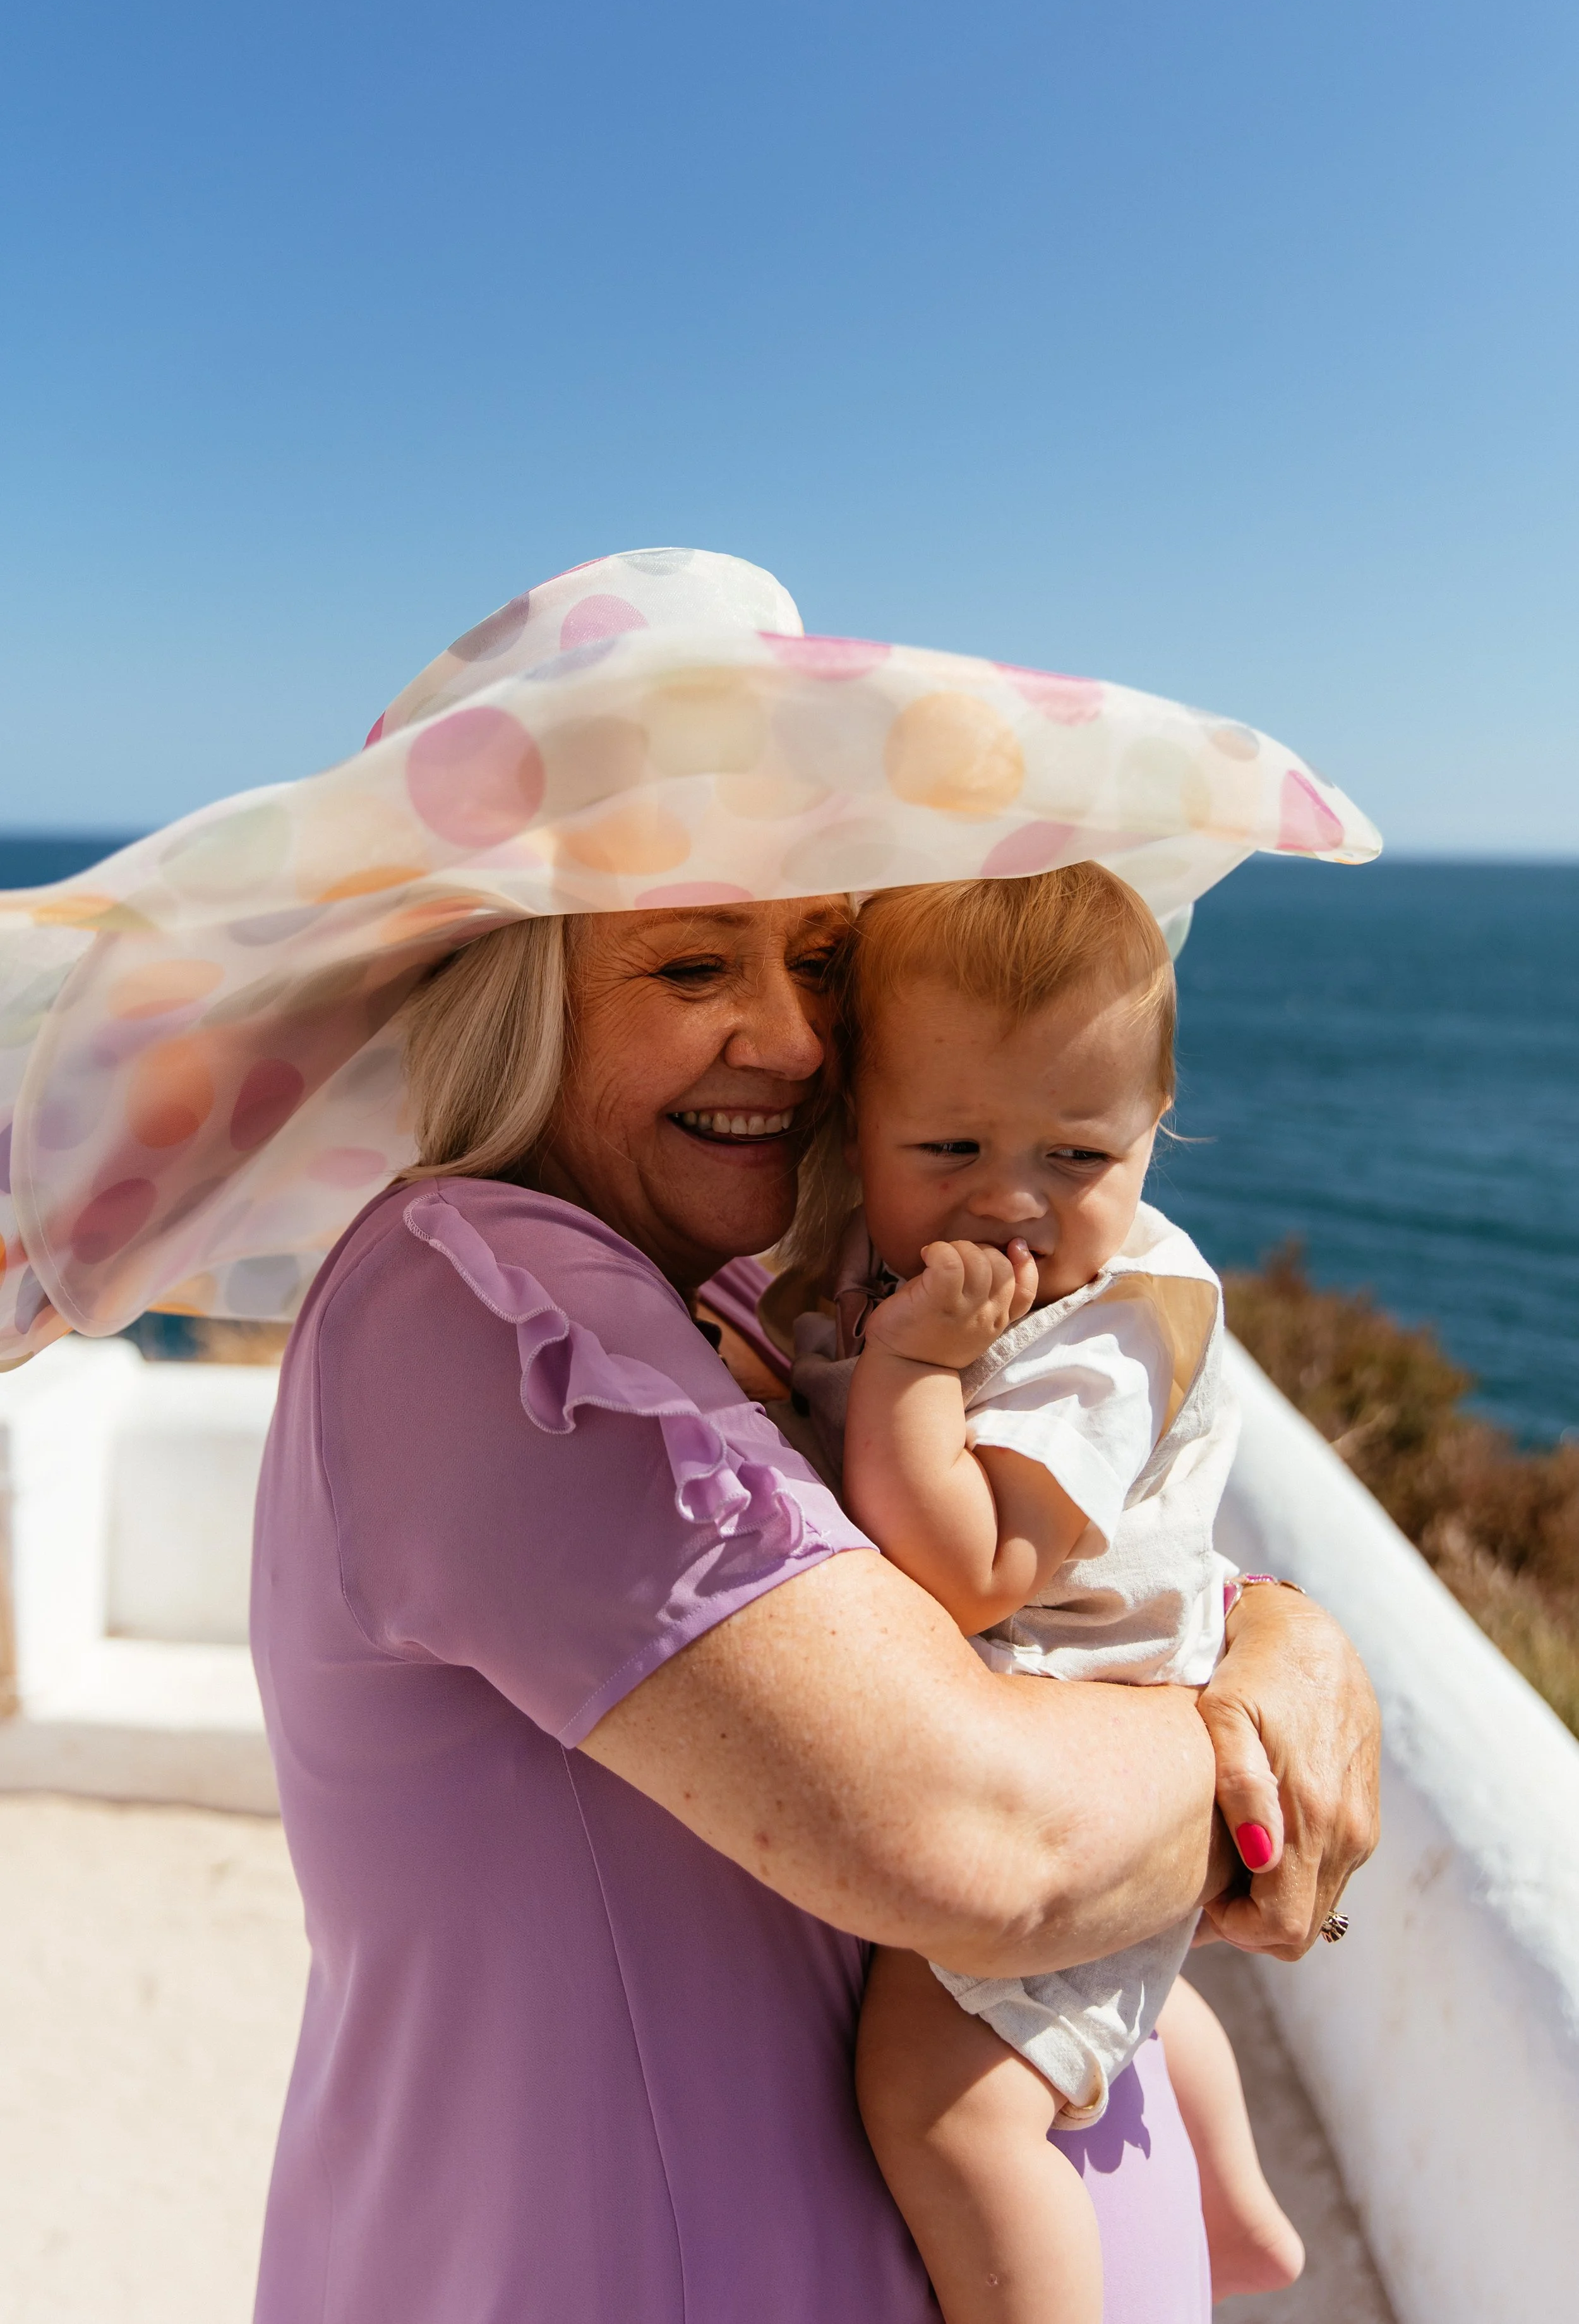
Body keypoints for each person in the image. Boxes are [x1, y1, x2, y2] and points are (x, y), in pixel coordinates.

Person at [249, 891, 1379, 2323]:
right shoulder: (496, 1308)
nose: (792, 1038)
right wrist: (1248, 1738)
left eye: (821, 961)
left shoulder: (757, 1290)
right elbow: (979, 1838)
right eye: (692, 963)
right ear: (517, 992)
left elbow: (1082, 1564)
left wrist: (1275, 1629)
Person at [765, 865, 1304, 2320]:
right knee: (1109, 1998)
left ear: (1155, 1130)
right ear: (851, 1124)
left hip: (1075, 1758)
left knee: (943, 2103)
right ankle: (1234, 2210)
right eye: (947, 1144)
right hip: (1073, 1767)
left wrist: (909, 1369)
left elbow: (971, 1563)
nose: (1009, 1201)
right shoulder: (916, 1271)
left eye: (1076, 1156)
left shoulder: (1109, 1326)